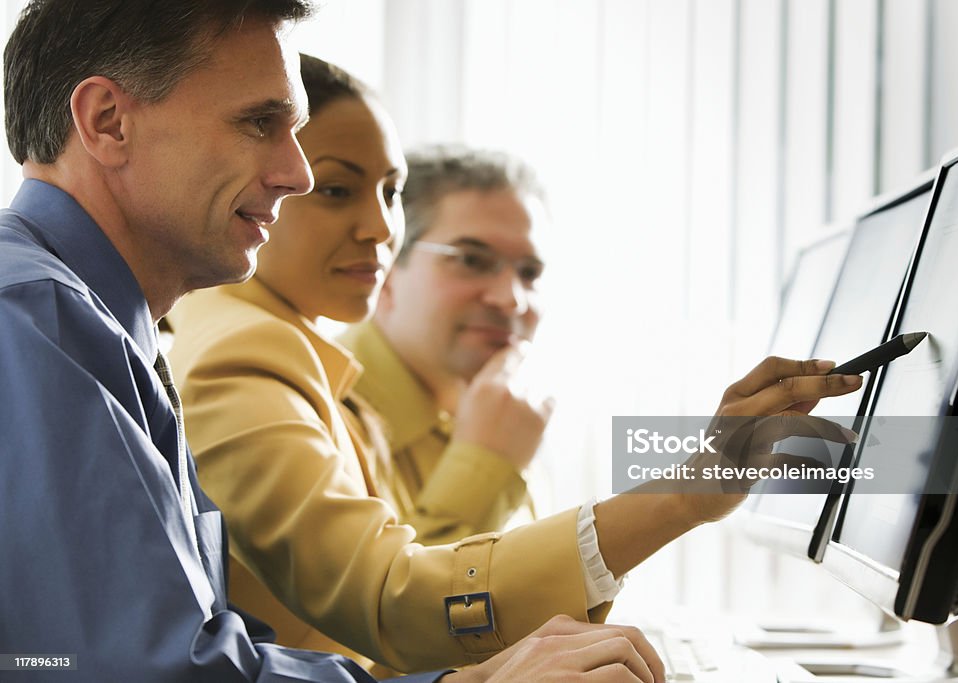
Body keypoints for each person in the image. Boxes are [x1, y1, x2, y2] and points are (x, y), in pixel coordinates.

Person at [0, 2, 667, 681]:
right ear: (108, 122)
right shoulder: (38, 317)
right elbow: (145, 669)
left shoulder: (92, 321)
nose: (297, 173)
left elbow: (205, 642)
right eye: (261, 122)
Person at [166, 49, 863, 683]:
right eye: (471, 259)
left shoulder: (345, 365)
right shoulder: (251, 348)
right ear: (394, 283)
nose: (380, 227)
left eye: (389, 192)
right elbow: (395, 610)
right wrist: (679, 491)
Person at [340, 146, 550, 546]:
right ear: (384, 269)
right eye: (471, 260)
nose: (512, 300)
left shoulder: (509, 413)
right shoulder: (314, 413)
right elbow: (384, 604)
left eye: (530, 272)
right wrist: (486, 467)